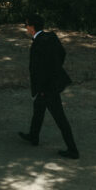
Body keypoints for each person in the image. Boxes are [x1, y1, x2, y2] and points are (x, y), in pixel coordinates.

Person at [17, 15, 79, 159]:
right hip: (51, 84)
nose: (25, 28)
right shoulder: (51, 36)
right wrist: (56, 69)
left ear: (32, 27)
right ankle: (33, 136)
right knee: (38, 109)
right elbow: (62, 53)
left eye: (26, 25)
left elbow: (38, 70)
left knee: (60, 119)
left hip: (47, 88)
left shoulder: (38, 44)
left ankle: (73, 150)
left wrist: (42, 89)